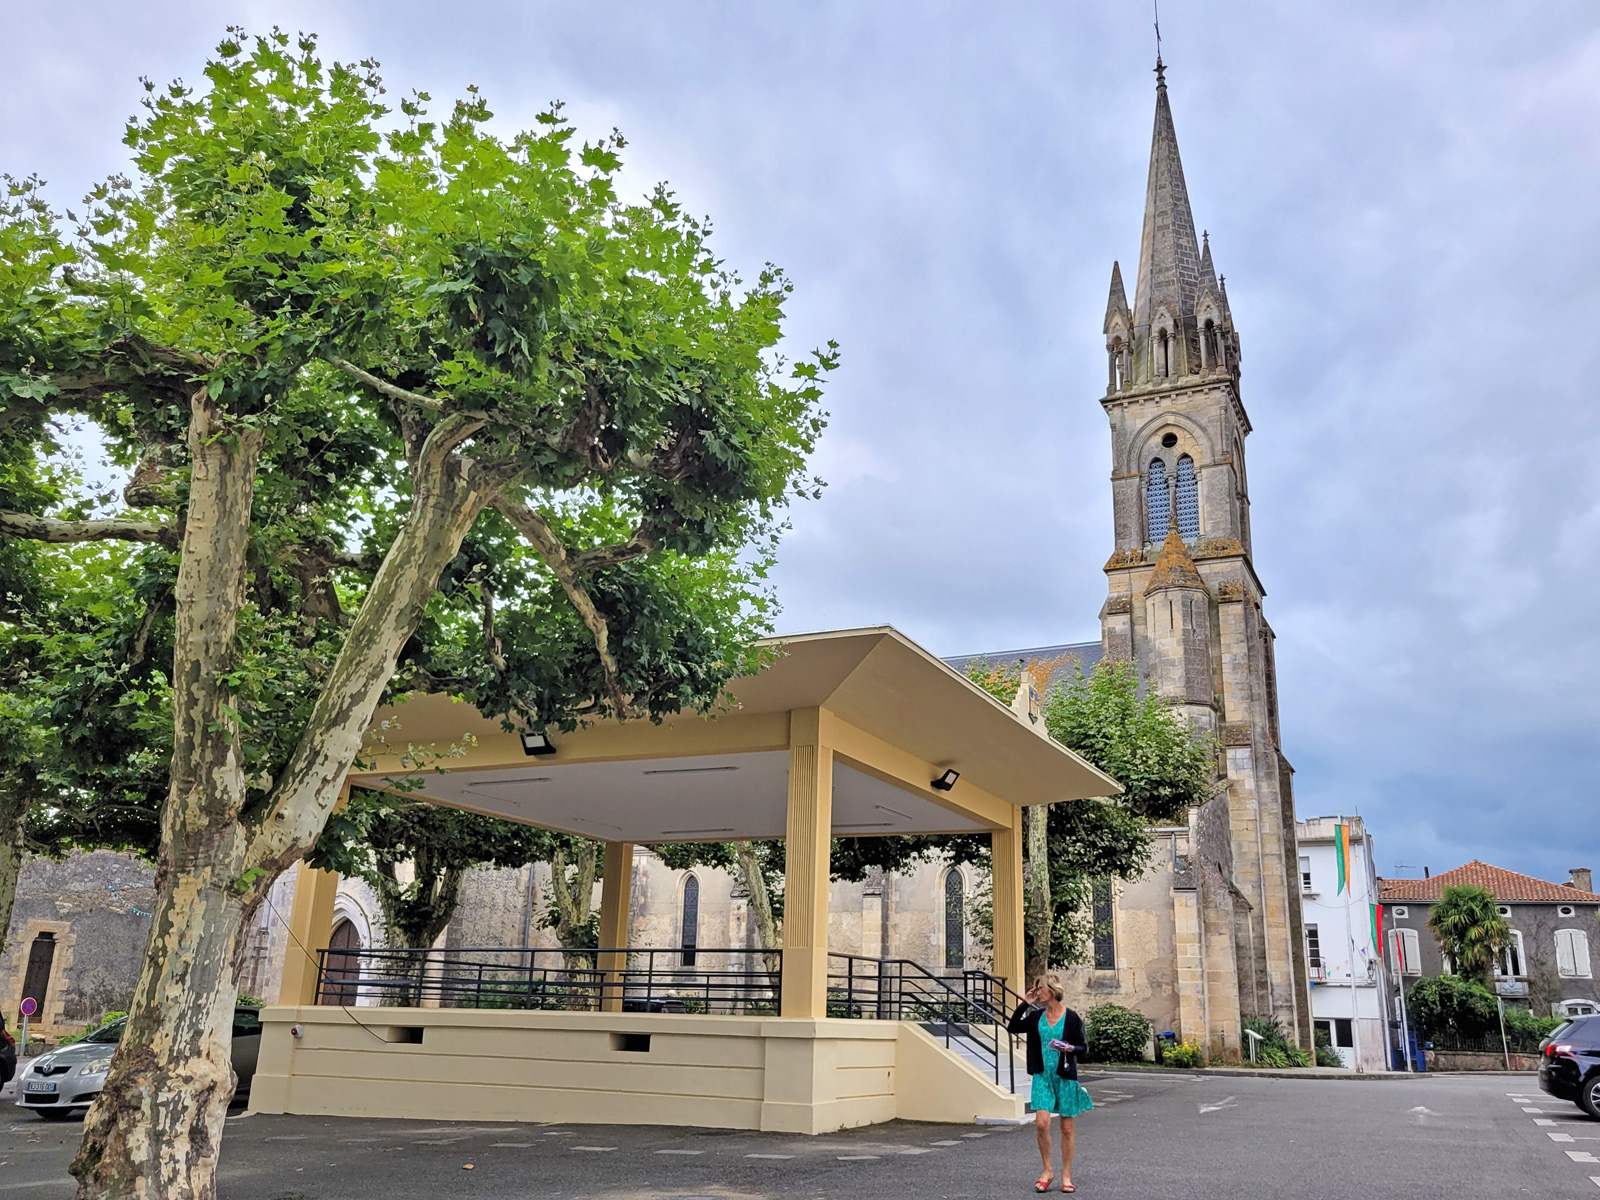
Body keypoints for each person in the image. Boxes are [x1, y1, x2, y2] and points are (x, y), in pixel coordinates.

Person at [1007, 971, 1092, 1193]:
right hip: (1042, 1076)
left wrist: (1070, 1048)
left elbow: (1083, 1047)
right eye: (1036, 989)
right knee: (1041, 1123)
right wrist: (1025, 1004)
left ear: (1052, 990)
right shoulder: (1036, 1017)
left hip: (1064, 1077)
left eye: (1040, 988)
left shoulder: (1071, 1018)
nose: (1037, 992)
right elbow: (1013, 1027)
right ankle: (1047, 1171)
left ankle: (1066, 1176)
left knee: (1066, 1128)